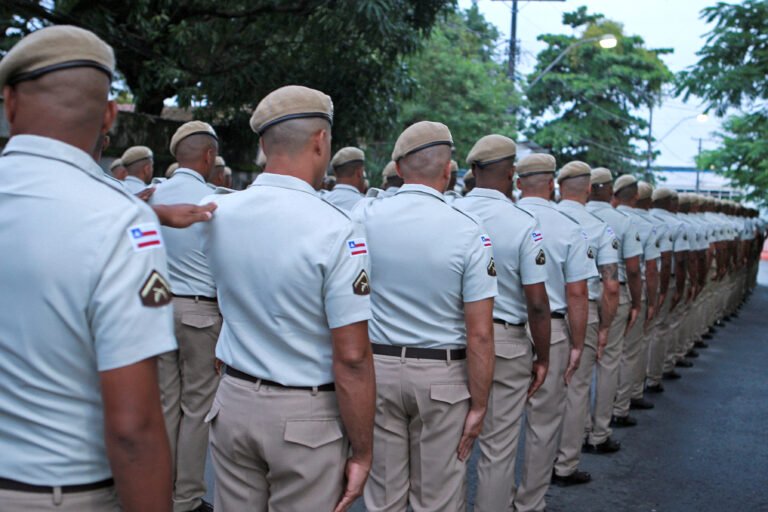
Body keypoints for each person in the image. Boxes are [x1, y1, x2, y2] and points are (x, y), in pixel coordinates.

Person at [0, 25, 175, 511]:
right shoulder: (121, 221)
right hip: (57, 493)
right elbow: (133, 426)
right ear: (109, 116)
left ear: (10, 101)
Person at [201, 85, 375, 512]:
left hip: (234, 402)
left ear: (263, 145)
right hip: (306, 417)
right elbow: (352, 356)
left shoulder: (219, 212)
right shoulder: (337, 228)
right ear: (321, 141)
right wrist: (363, 450)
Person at [353, 121, 497, 511]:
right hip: (443, 377)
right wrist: (480, 405)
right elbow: (480, 333)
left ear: (399, 169)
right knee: (438, 498)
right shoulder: (469, 230)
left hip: (378, 367)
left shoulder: (365, 217)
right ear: (449, 171)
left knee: (383, 496)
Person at [455, 135, 551, 511]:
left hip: (457, 338)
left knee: (453, 446)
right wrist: (542, 357)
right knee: (498, 447)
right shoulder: (524, 222)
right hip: (507, 342)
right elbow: (538, 303)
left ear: (473, 171)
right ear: (512, 173)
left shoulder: (453, 212)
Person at [513, 154, 595, 512]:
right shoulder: (567, 226)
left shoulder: (502, 219)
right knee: (543, 423)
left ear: (519, 183)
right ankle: (529, 502)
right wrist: (578, 343)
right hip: (556, 329)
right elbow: (578, 294)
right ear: (551, 185)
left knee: (495, 432)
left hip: (502, 328)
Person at [149, 121, 222, 512]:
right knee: (196, 408)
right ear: (208, 156)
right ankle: (187, 497)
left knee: (164, 403)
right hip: (200, 313)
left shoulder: (152, 197)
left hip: (157, 309)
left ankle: (159, 491)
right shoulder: (213, 201)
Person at [552, 161, 620, 486]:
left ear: (558, 187)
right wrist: (605, 326)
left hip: (538, 313)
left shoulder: (539, 219)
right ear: (589, 189)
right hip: (585, 311)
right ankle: (564, 463)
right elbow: (611, 285)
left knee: (540, 392)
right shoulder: (598, 227)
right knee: (577, 388)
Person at [584, 168, 643, 454]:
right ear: (609, 192)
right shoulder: (623, 221)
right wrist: (637, 301)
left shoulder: (572, 217)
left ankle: (579, 429)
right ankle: (599, 433)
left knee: (578, 371)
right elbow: (633, 269)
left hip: (577, 297)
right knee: (608, 363)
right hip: (612, 294)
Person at [611, 175, 660, 428]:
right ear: (641, 199)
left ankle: (592, 424)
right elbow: (647, 269)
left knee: (594, 364)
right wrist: (645, 301)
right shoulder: (647, 224)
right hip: (627, 290)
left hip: (591, 292)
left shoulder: (595, 216)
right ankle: (620, 407)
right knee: (628, 352)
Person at [646, 187, 689, 390]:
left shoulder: (640, 220)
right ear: (672, 203)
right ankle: (653, 376)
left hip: (639, 281)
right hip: (663, 279)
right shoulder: (676, 224)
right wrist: (668, 290)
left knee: (637, 336)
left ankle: (635, 382)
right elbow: (677, 261)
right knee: (662, 327)